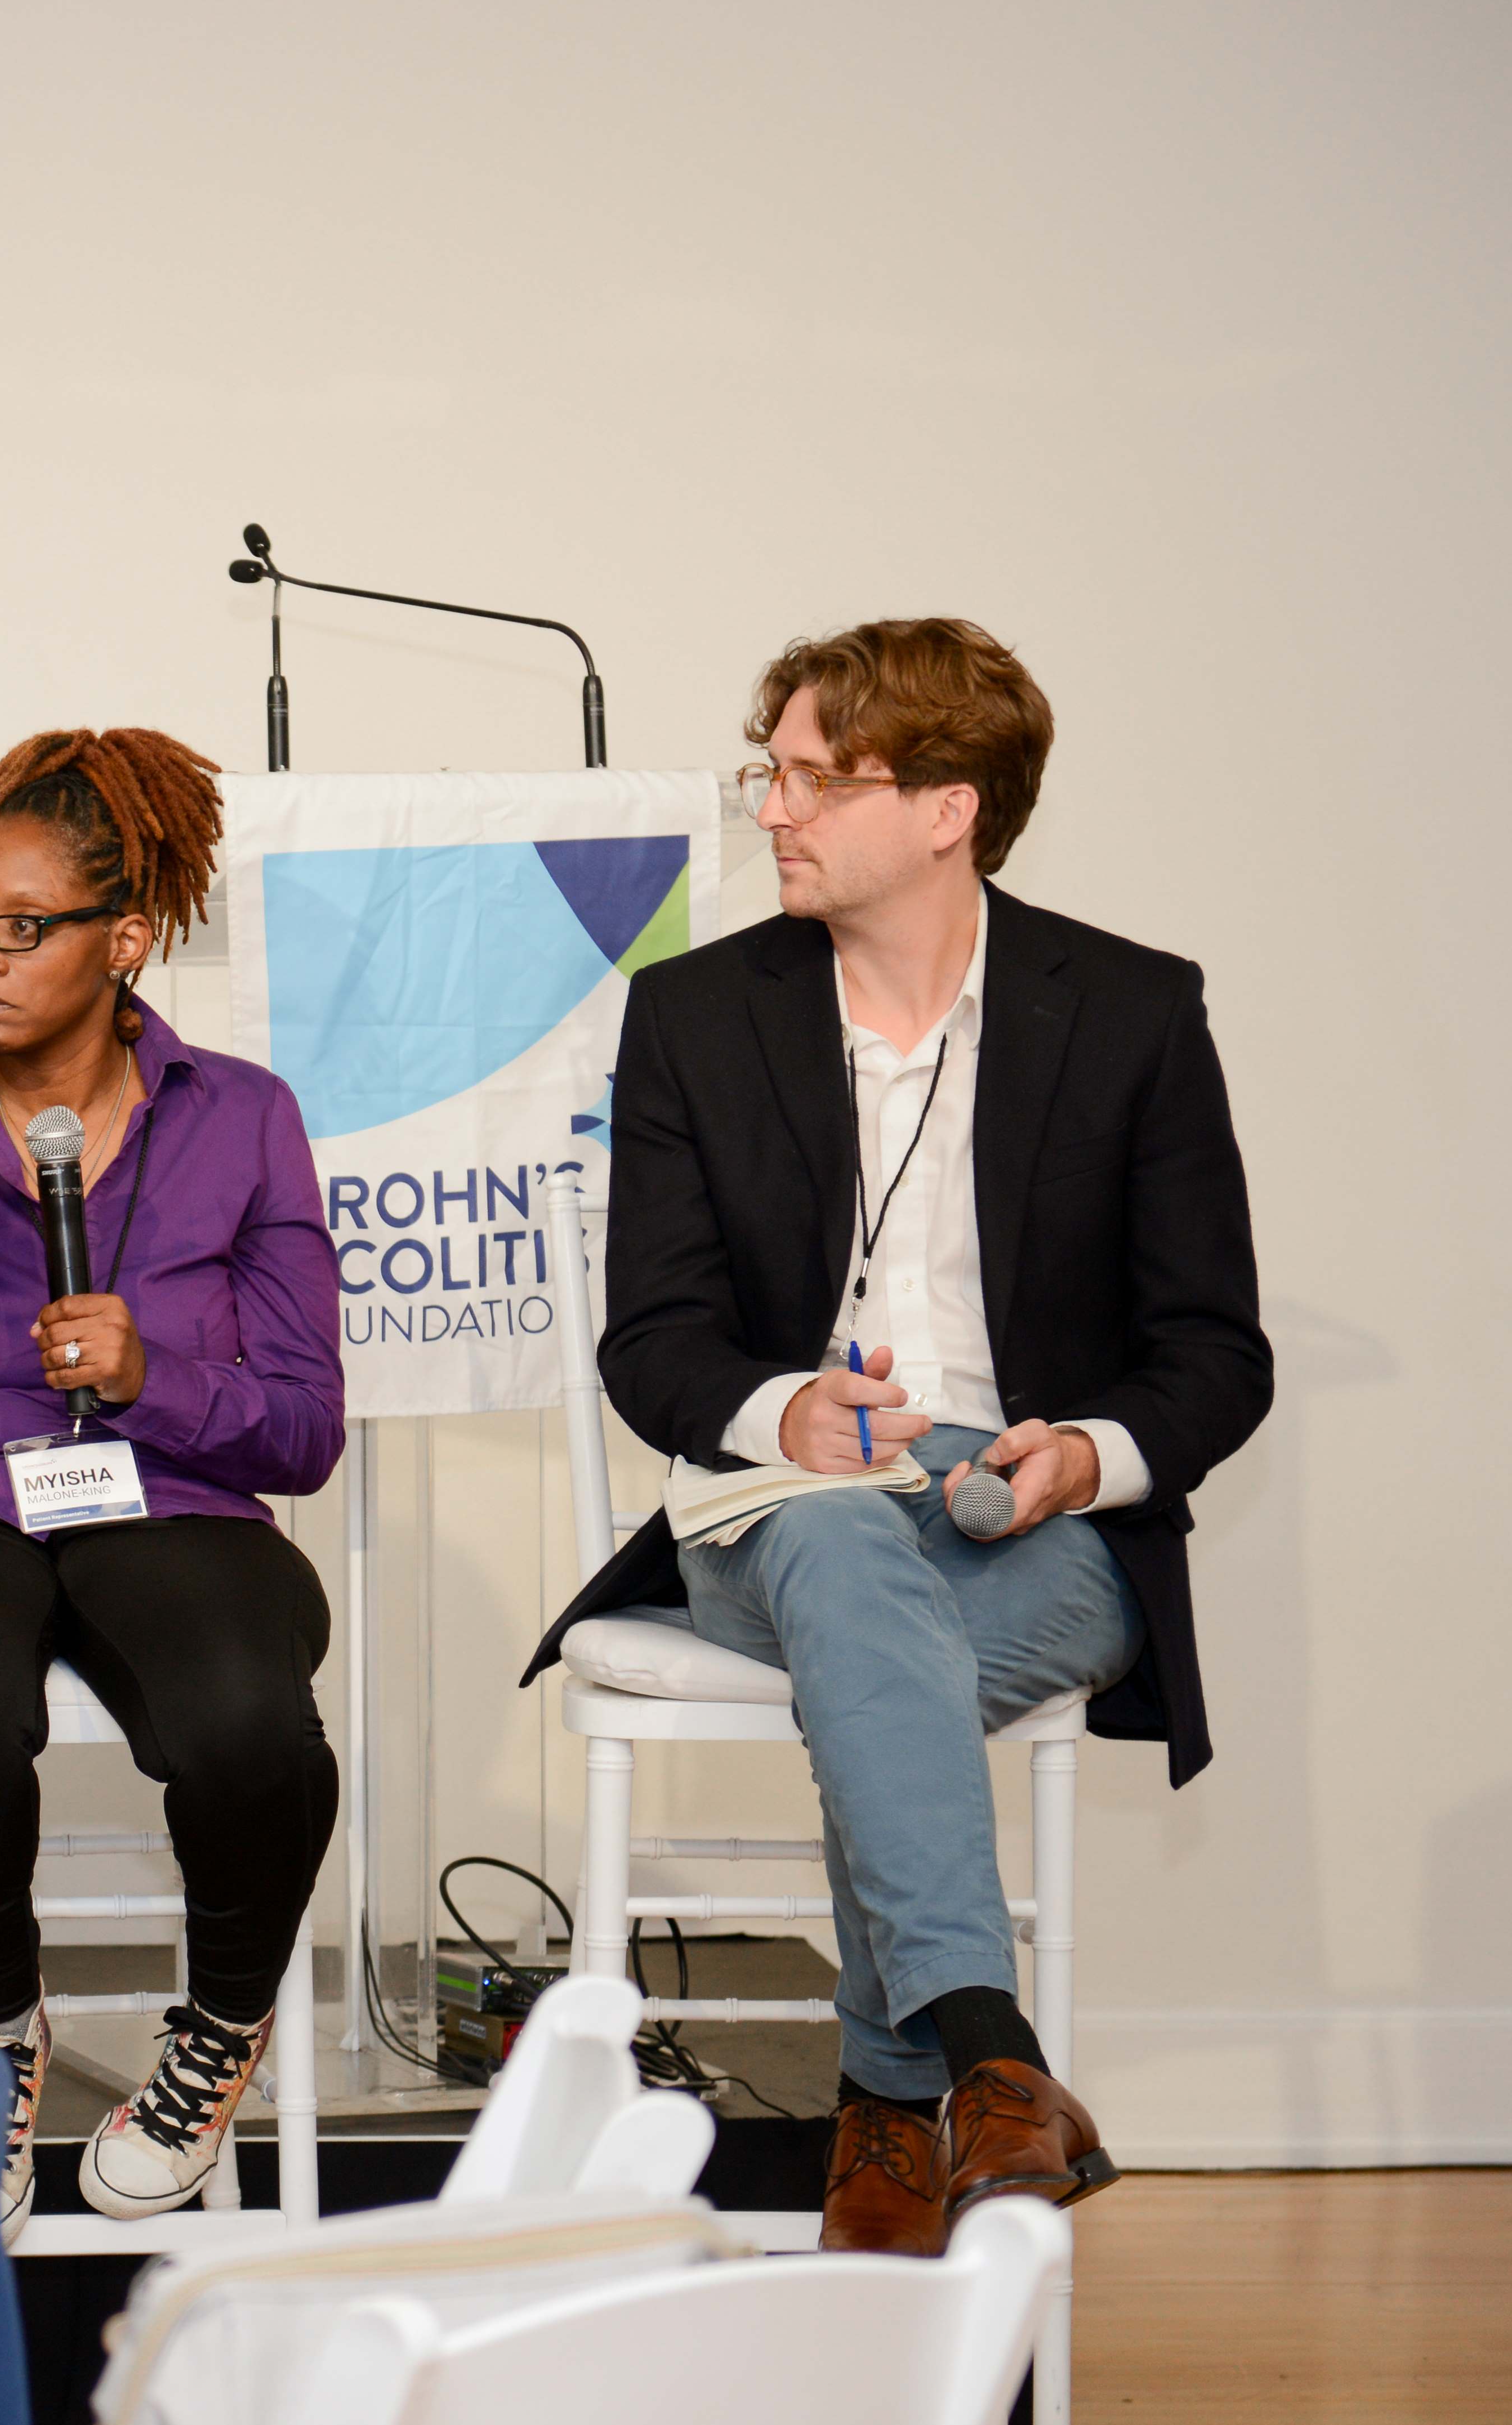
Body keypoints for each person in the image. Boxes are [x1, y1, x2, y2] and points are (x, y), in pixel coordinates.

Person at [527, 619, 1271, 2255]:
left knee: (886, 1672)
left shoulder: (1134, 1013)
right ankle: (991, 2066)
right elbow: (650, 1343)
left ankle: (888, 2088)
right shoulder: (697, 1017)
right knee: (846, 1538)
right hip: (781, 1503)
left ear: (948, 808)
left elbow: (1217, 1354)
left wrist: (1084, 1454)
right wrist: (783, 1407)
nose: (772, 810)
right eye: (768, 773)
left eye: (811, 779)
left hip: (1036, 1518)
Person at [0, 729, 346, 2239]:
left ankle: (217, 2034)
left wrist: (153, 1371)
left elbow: (301, 1435)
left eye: (22, 928)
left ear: (128, 941)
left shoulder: (244, 1120)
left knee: (249, 1720)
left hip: (163, 1496)